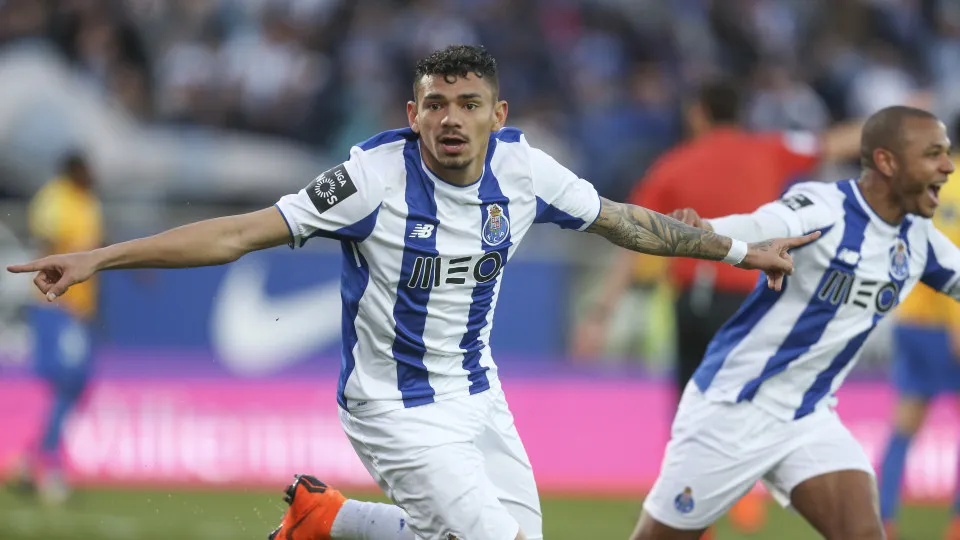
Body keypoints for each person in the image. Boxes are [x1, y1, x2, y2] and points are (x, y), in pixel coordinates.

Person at [7, 45, 813, 540]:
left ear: (497, 114)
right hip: (392, 405)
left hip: (479, 394)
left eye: (468, 105)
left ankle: (328, 520)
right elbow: (239, 233)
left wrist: (742, 248)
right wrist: (102, 256)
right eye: (436, 104)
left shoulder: (526, 171)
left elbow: (628, 222)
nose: (451, 119)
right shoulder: (370, 178)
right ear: (413, 113)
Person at [631, 104, 959, 540]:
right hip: (734, 409)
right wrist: (705, 228)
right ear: (887, 161)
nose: (947, 166)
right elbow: (761, 224)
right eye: (933, 154)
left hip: (807, 417)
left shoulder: (919, 241)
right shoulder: (825, 207)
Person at [573, 77, 862, 535]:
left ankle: (690, 515)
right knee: (753, 402)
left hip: (693, 301)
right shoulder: (770, 149)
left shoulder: (674, 164)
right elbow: (834, 142)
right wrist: (898, 125)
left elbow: (633, 240)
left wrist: (600, 313)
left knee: (692, 410)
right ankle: (743, 497)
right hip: (750, 300)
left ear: (698, 114)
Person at [877, 118, 960, 540]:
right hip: (951, 320)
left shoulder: (928, 184)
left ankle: (882, 518)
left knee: (905, 422)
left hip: (911, 318)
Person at [8, 152, 103, 505]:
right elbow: (47, 248)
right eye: (88, 168)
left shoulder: (88, 203)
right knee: (66, 384)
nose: (94, 174)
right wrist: (52, 294)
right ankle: (49, 467)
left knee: (76, 387)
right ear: (74, 170)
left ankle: (30, 462)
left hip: (80, 311)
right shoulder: (53, 199)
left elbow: (95, 248)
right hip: (56, 307)